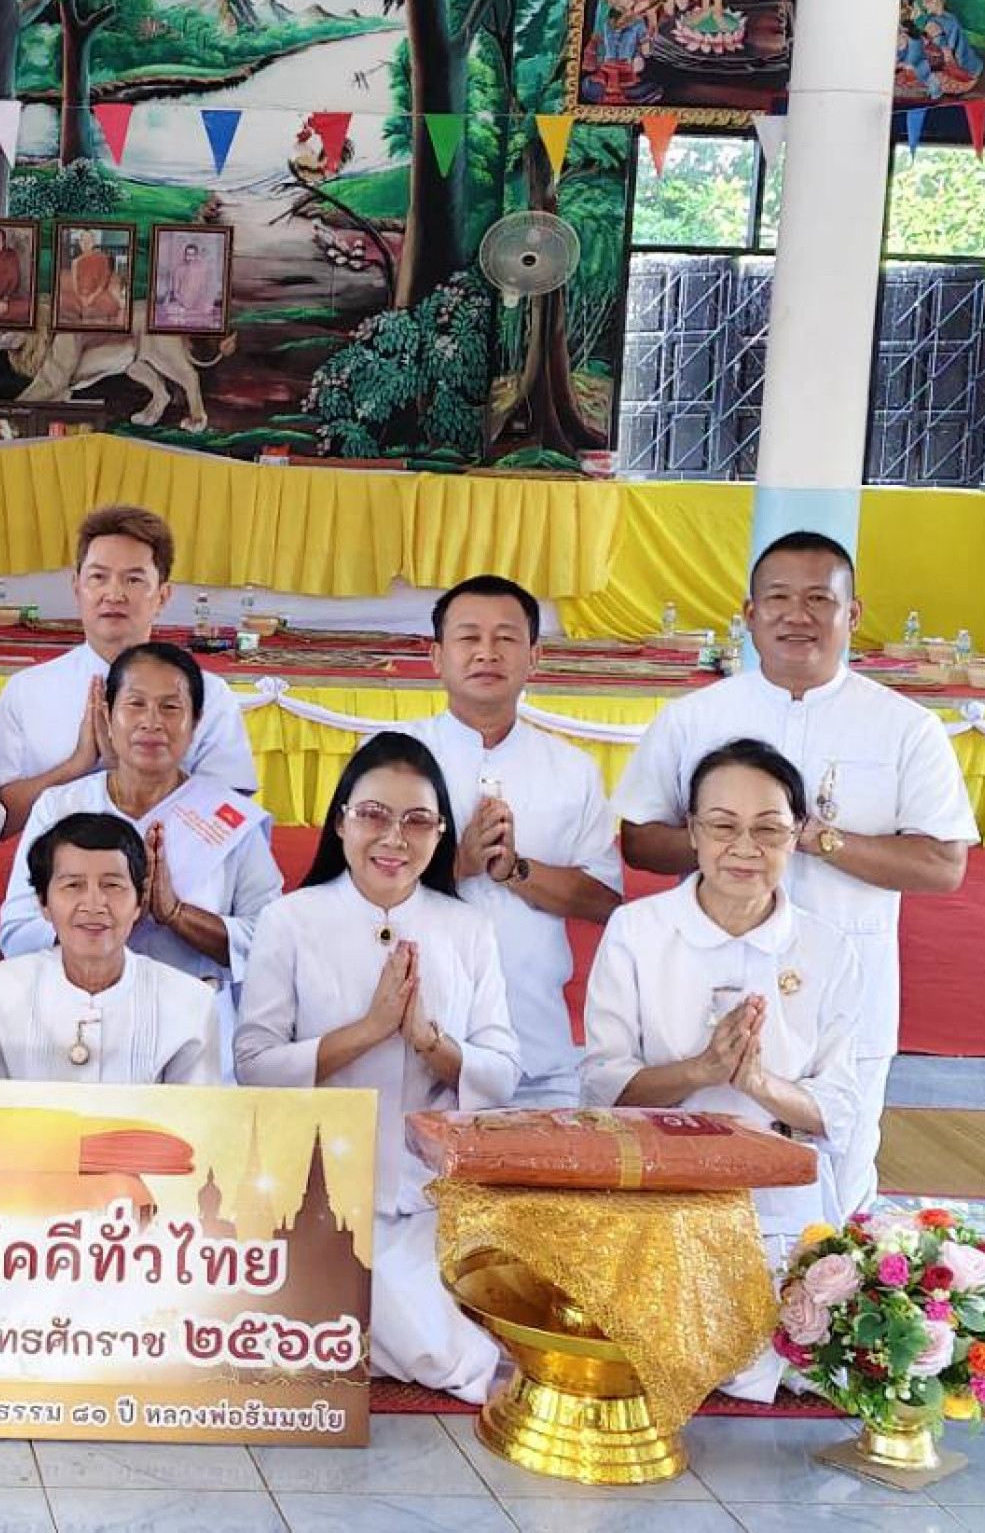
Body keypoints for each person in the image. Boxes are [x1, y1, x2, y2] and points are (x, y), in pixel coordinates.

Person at [614, 530, 975, 1212]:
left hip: (845, 989)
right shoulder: (696, 717)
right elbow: (638, 839)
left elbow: (943, 863)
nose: (796, 615)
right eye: (777, 598)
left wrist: (815, 840)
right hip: (700, 987)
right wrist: (732, 841)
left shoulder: (905, 727)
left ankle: (822, 1311)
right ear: (748, 615)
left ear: (853, 614)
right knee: (685, 1175)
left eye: (818, 599)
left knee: (837, 1185)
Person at [235, 731, 521, 1404]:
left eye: (418, 820)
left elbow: (503, 1071)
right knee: (442, 1353)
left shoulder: (466, 929)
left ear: (442, 833)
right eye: (373, 815)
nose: (394, 838)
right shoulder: (290, 920)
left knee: (469, 1346)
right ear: (341, 822)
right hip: (318, 1199)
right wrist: (368, 1031)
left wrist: (428, 1041)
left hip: (431, 1200)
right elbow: (253, 1065)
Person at [583, 739, 869, 1255]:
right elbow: (604, 1089)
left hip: (782, 1201)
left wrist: (757, 1083)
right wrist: (700, 1071)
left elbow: (841, 1109)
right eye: (722, 826)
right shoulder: (638, 931)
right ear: (692, 830)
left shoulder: (829, 949)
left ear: (797, 832)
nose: (744, 847)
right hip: (655, 1190)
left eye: (767, 828)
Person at [400, 576, 624, 1106]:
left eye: (505, 638)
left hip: (536, 1048)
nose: (486, 653)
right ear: (436, 656)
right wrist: (458, 864)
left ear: (534, 657)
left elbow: (604, 901)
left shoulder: (572, 770)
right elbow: (345, 888)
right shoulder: (394, 757)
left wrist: (515, 871)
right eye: (468, 637)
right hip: (410, 1043)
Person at [0, 641, 280, 1023]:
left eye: (170, 707)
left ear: (195, 723)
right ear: (107, 716)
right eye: (135, 704)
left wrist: (176, 914)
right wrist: (103, 918)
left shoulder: (228, 819)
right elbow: (16, 929)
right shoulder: (61, 807)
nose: (152, 722)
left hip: (192, 1023)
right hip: (74, 1016)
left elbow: (268, 941)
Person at [0, 504, 258, 834]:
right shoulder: (27, 690)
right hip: (60, 881)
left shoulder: (209, 694)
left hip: (176, 878)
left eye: (133, 579)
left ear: (162, 596)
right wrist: (77, 766)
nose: (113, 594)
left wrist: (129, 767)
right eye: (98, 577)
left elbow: (231, 821)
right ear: (77, 587)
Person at [0, 814, 222, 1085]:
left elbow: (196, 1120)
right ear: (43, 903)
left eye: (112, 885)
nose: (94, 904)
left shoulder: (190, 1003)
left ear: (139, 902)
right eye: (73, 885)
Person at [151, 239, 221, 327]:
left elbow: (208, 287)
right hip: (183, 302)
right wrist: (182, 301)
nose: (190, 257)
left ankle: (191, 314)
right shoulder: (179, 268)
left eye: (192, 254)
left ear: (196, 255)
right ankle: (189, 313)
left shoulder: (204, 268)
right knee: (169, 310)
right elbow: (175, 291)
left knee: (207, 308)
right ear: (185, 255)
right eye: (188, 254)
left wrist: (205, 299)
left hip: (199, 301)